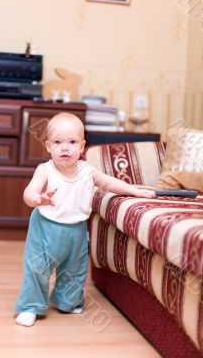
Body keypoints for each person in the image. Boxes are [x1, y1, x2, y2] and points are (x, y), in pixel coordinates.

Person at [14, 112, 155, 326]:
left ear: (82, 147)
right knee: (37, 268)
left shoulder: (86, 170)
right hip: (45, 229)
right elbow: (28, 193)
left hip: (76, 230)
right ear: (48, 146)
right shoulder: (45, 170)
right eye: (58, 142)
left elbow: (108, 183)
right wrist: (37, 198)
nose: (65, 148)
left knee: (74, 269)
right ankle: (30, 306)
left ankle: (67, 302)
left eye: (72, 142)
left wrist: (133, 191)